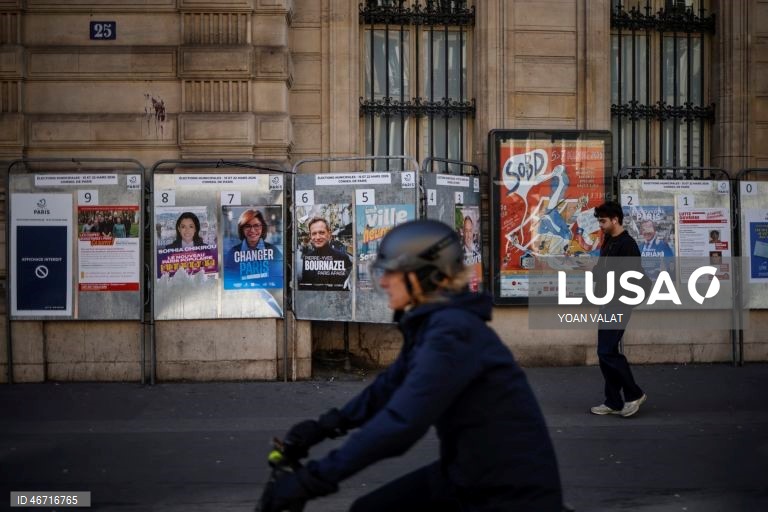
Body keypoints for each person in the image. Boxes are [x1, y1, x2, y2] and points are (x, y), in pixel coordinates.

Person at [261, 219, 564, 511]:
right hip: (469, 474)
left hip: (511, 493)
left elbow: (401, 422)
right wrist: (324, 426)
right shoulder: (434, 325)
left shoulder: (453, 333)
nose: (382, 281)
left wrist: (312, 479)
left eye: (392, 272)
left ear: (425, 275)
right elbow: (386, 389)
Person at [590, 201, 647, 418]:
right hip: (607, 302)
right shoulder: (609, 241)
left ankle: (634, 394)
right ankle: (613, 401)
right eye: (599, 221)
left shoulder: (627, 244)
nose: (600, 225)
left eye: (603, 221)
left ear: (615, 220)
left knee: (606, 351)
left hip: (620, 303)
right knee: (606, 352)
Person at [224, 209, 282, 286]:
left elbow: (279, 280)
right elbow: (228, 281)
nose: (252, 230)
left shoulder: (273, 251)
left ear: (262, 228)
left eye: (256, 225)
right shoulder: (233, 253)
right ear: (242, 229)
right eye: (247, 226)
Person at [298, 217, 352, 290]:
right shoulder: (307, 259)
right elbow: (305, 286)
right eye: (314, 233)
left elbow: (349, 286)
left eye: (321, 232)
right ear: (310, 236)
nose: (317, 237)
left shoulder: (342, 257)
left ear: (329, 234)